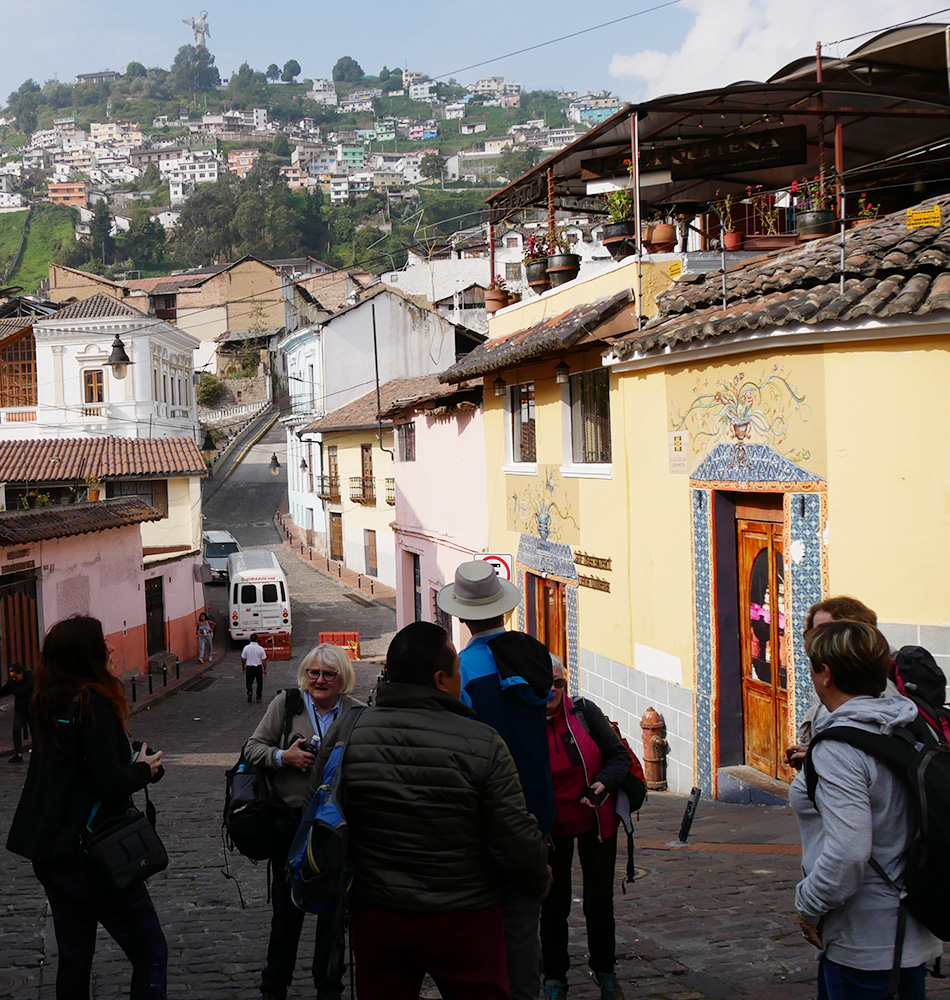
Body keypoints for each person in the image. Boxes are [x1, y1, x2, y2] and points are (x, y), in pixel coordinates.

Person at [307, 621, 551, 1000]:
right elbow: (514, 837)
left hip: (378, 915)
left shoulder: (348, 732)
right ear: (441, 680)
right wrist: (538, 879)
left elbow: (320, 807)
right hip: (463, 917)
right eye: (456, 671)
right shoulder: (483, 742)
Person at [5, 615, 167, 999]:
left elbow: (78, 769)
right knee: (150, 951)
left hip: (52, 853)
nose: (111, 647)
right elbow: (108, 782)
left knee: (75, 960)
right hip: (95, 858)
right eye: (103, 642)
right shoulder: (93, 702)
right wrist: (144, 769)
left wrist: (129, 756)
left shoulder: (51, 700)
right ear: (85, 654)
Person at [790, 619, 942, 1000]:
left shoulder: (840, 750)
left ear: (826, 674)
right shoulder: (906, 725)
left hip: (864, 939)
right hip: (912, 929)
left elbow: (848, 853)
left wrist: (807, 906)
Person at [437, 561, 555, 1000]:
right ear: (504, 609)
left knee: (481, 924)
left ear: (463, 616)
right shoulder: (535, 655)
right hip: (535, 808)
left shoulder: (461, 670)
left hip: (484, 814)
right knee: (525, 926)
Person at [245, 644, 363, 1000]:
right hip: (292, 827)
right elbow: (252, 748)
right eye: (314, 673)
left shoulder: (357, 714)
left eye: (329, 674)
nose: (320, 680)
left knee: (334, 917)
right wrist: (284, 757)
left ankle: (328, 986)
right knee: (287, 915)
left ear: (343, 678)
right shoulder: (288, 704)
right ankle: (274, 986)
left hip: (337, 831)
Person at [541, 655, 630, 1000]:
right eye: (545, 681)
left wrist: (602, 784)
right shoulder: (526, 720)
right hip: (551, 828)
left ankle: (605, 971)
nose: (551, 688)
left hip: (596, 820)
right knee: (553, 903)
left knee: (598, 901)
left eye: (559, 683)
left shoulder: (583, 712)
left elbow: (619, 756)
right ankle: (555, 978)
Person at [0, 661, 34, 763]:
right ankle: (18, 754)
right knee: (16, 729)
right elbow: (4, 691)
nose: (14, 679)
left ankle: (38, 752)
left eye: (15, 677)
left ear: (21, 673)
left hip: (31, 708)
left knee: (34, 730)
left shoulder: (31, 681)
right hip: (20, 708)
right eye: (12, 677)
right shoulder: (12, 682)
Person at [242, 633, 267, 704]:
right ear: (257, 640)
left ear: (250, 639)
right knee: (259, 683)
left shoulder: (246, 648)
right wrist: (265, 669)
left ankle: (249, 691)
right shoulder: (260, 649)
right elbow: (264, 660)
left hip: (249, 667)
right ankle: (258, 697)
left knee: (249, 682)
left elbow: (243, 659)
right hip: (258, 667)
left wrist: (243, 666)